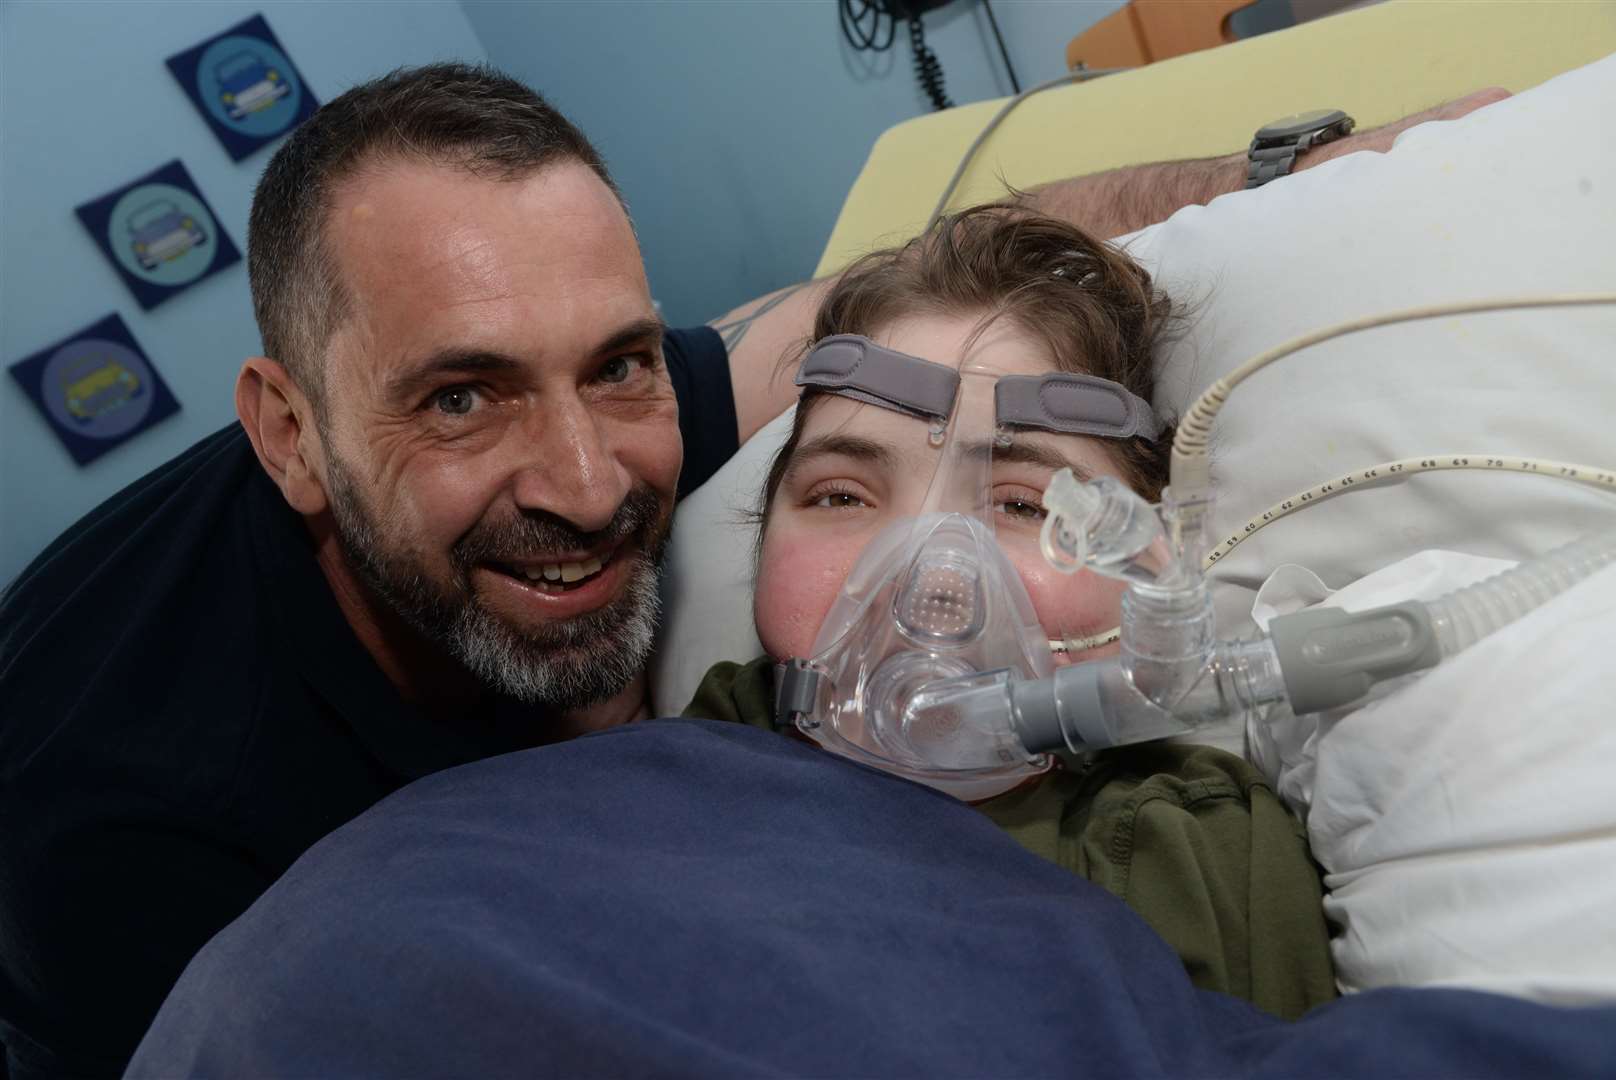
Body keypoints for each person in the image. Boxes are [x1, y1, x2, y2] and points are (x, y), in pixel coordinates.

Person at [0, 55, 1497, 1076]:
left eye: (622, 365)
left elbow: (856, 315)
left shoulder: (1193, 840)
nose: (590, 487)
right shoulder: (111, 827)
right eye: (461, 399)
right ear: (291, 436)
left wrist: (1301, 171)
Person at [682, 204, 1334, 1018]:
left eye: (1025, 508)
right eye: (842, 494)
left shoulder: (1199, 853)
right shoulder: (661, 787)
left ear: (1145, 580)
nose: (928, 579)